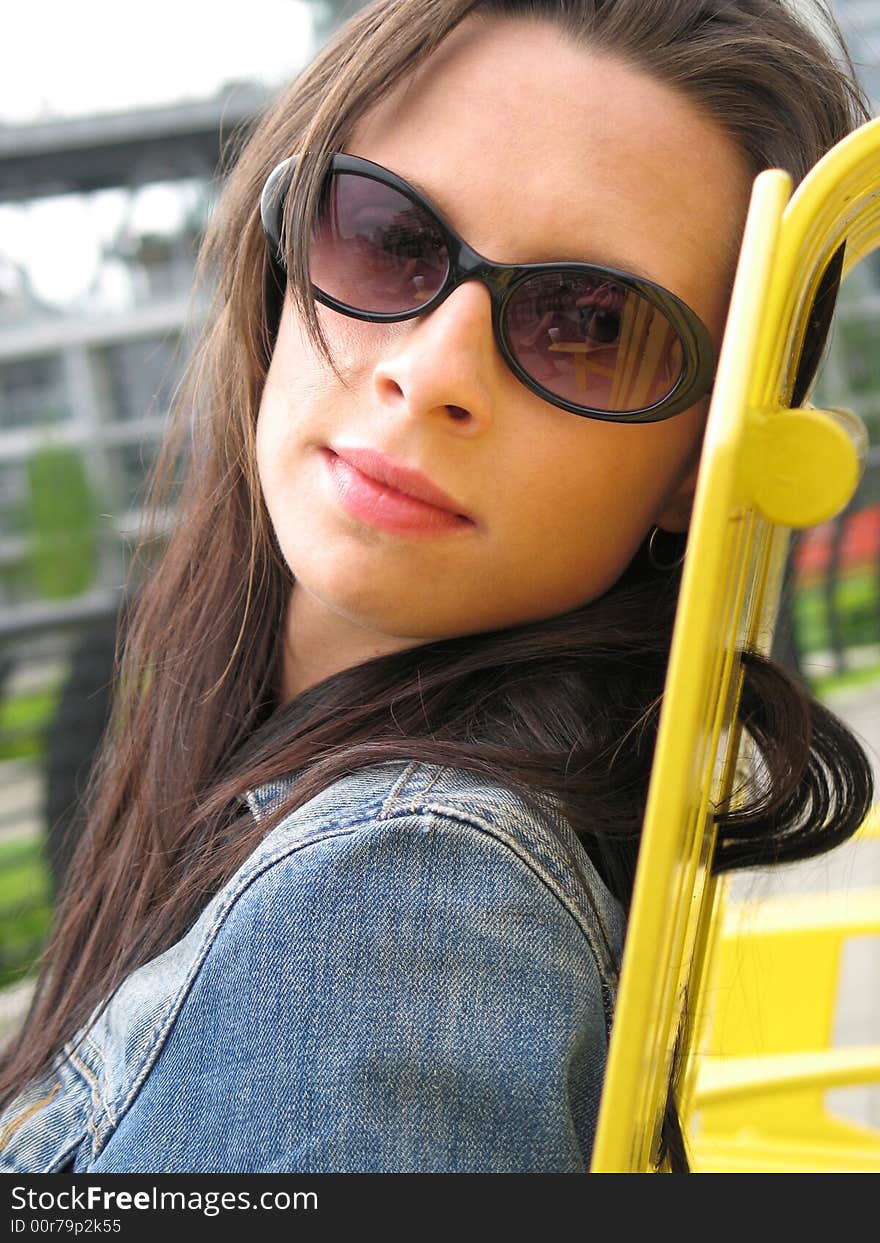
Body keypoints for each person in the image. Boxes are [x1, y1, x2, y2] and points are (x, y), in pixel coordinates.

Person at [0, 0, 874, 1174]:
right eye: (386, 236)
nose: (431, 371)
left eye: (591, 323)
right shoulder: (286, 808)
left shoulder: (398, 902)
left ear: (693, 461)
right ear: (279, 249)